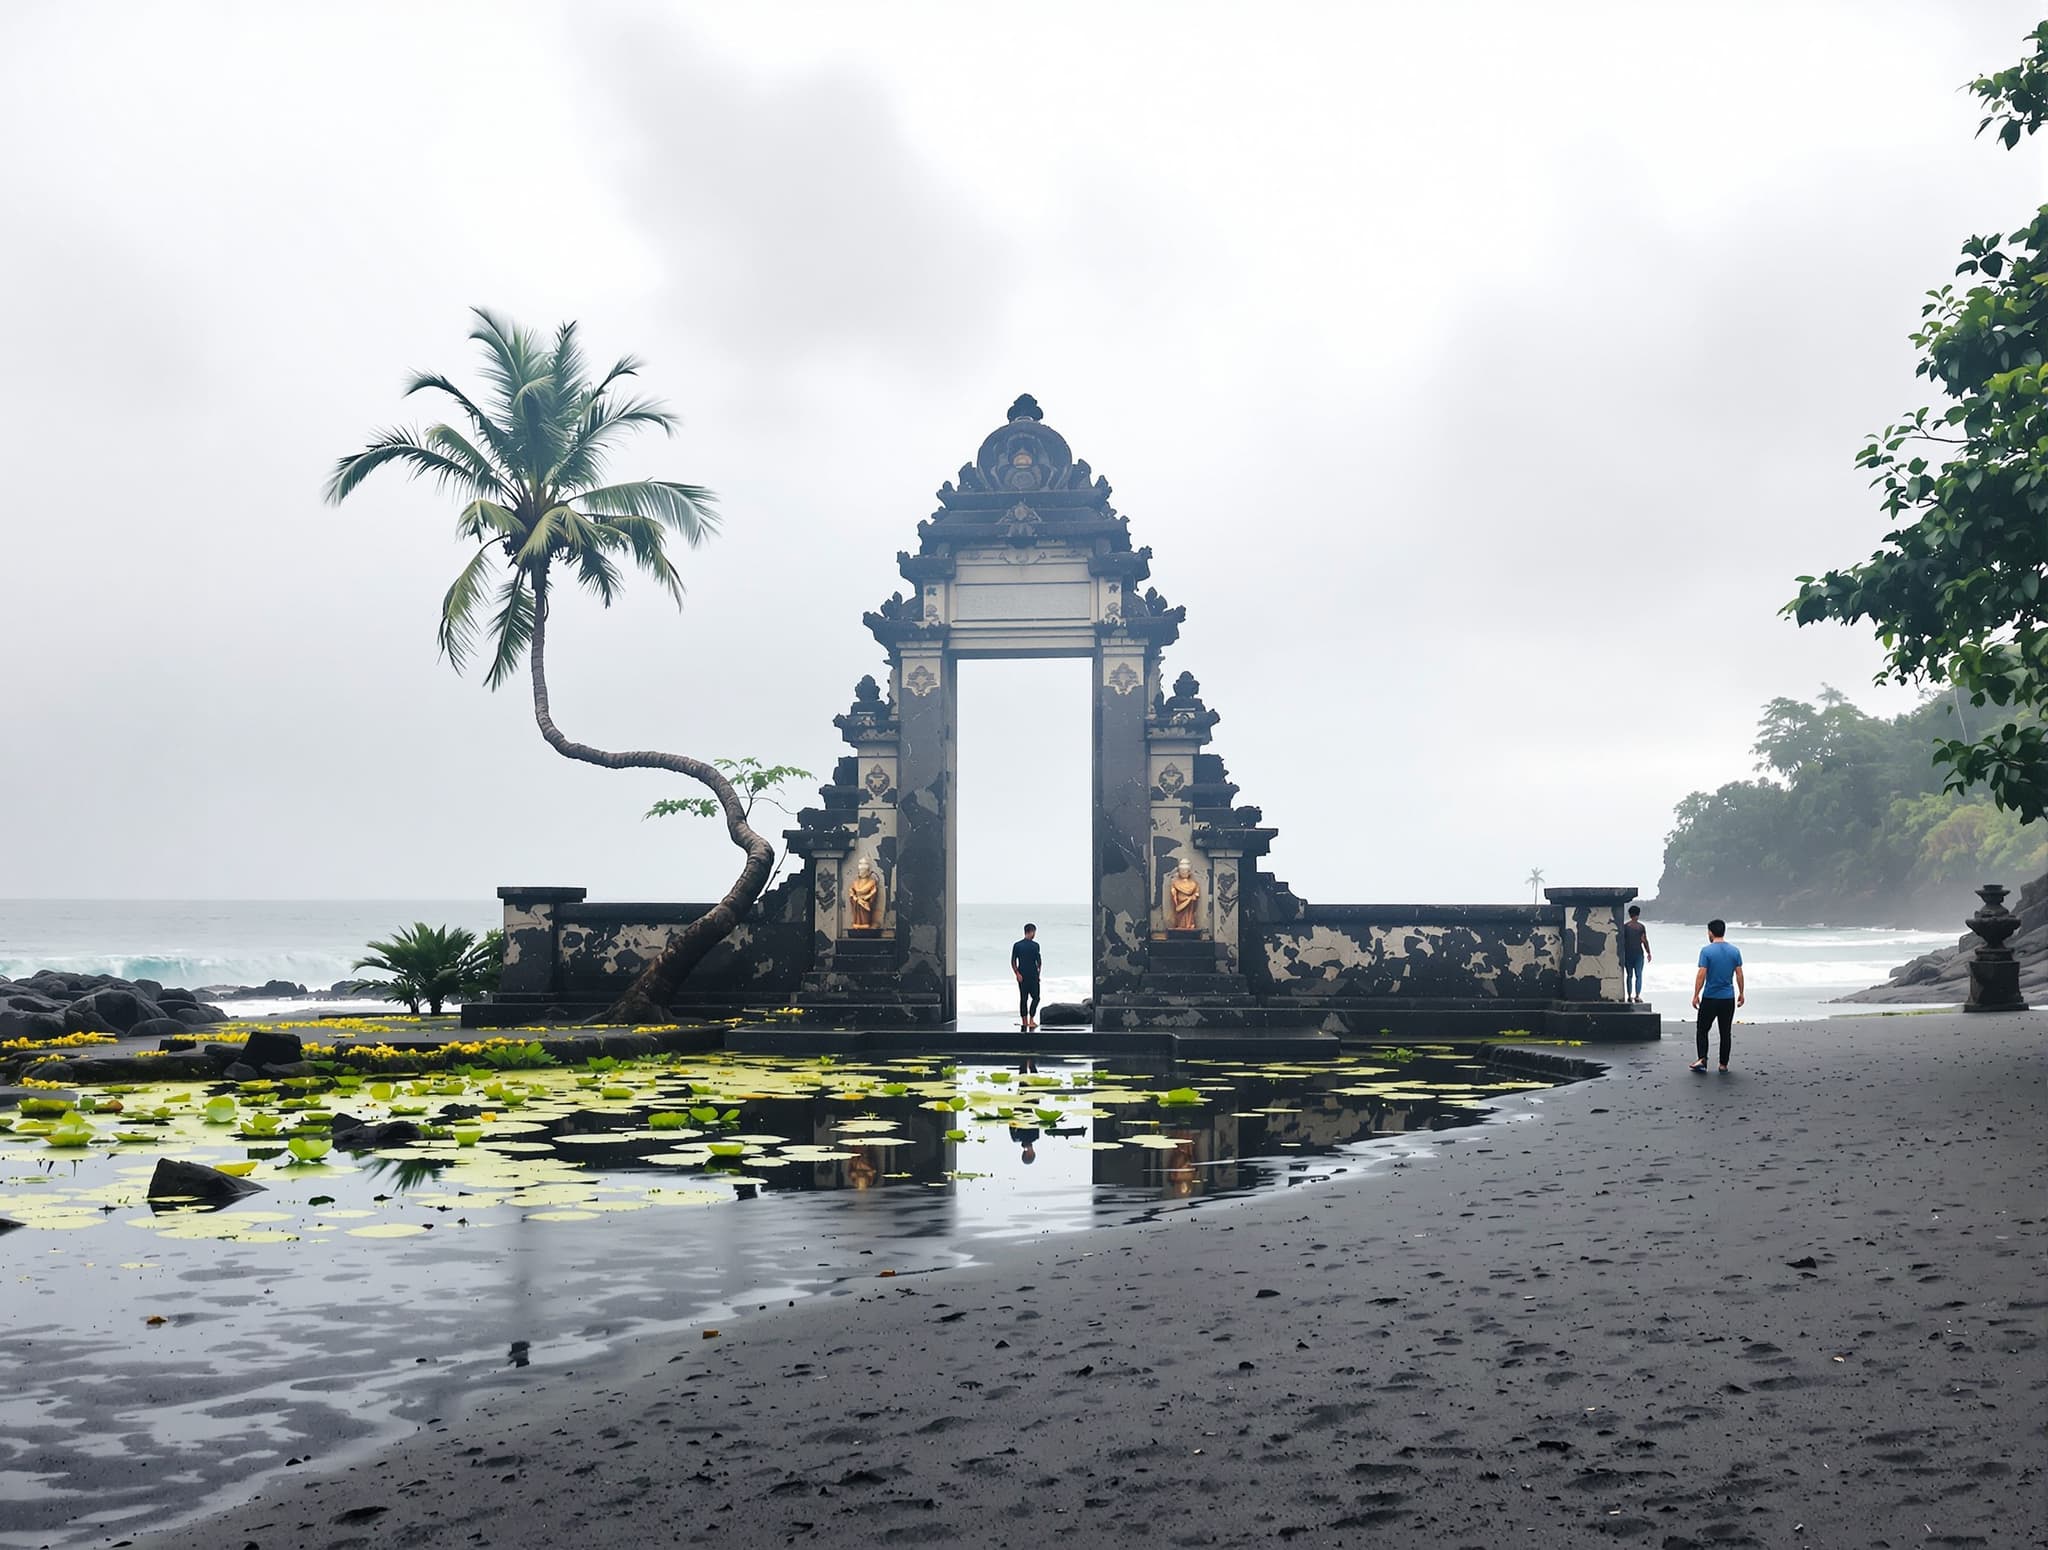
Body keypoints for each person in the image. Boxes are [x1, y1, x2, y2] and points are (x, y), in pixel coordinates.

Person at [1690, 918, 1745, 1072]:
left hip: (1710, 997)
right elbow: (1739, 974)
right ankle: (1723, 1064)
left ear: (1711, 932)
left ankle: (1702, 1059)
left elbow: (1702, 974)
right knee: (1725, 1031)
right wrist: (1741, 993)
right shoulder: (1735, 951)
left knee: (1702, 1029)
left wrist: (1696, 994)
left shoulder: (1706, 951)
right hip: (1728, 998)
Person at [1011, 922, 1042, 1031]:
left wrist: (1017, 974)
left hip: (1022, 975)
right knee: (1036, 998)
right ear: (1032, 932)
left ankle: (1025, 1021)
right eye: (1034, 932)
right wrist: (1038, 975)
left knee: (1024, 999)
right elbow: (1039, 962)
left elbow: (1013, 961)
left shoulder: (1017, 945)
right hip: (1032, 975)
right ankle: (1031, 1020)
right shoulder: (1035, 945)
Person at [1621, 904, 1652, 1002]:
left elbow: (1622, 942)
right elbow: (1644, 940)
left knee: (1629, 975)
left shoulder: (1625, 927)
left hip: (1628, 954)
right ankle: (1637, 996)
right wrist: (1649, 952)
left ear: (1630, 914)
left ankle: (1629, 996)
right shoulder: (1641, 927)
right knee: (1639, 975)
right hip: (1638, 954)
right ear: (1638, 915)